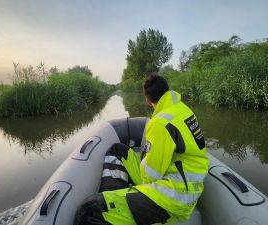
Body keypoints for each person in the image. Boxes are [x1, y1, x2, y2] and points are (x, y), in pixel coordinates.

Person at [75, 74, 209, 225]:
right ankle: (113, 197)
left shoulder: (160, 123)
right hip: (184, 182)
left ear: (147, 100)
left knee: (89, 211)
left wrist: (139, 190)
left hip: (174, 197)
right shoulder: (182, 110)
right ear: (167, 91)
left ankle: (113, 205)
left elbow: (151, 175)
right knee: (118, 150)